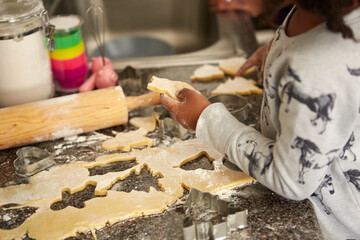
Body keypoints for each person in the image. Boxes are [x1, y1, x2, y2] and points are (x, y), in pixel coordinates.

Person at [160, 0, 360, 239]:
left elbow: (291, 180)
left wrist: (206, 118)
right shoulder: (316, 12)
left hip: (332, 225)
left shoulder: (317, 66)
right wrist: (279, 52)